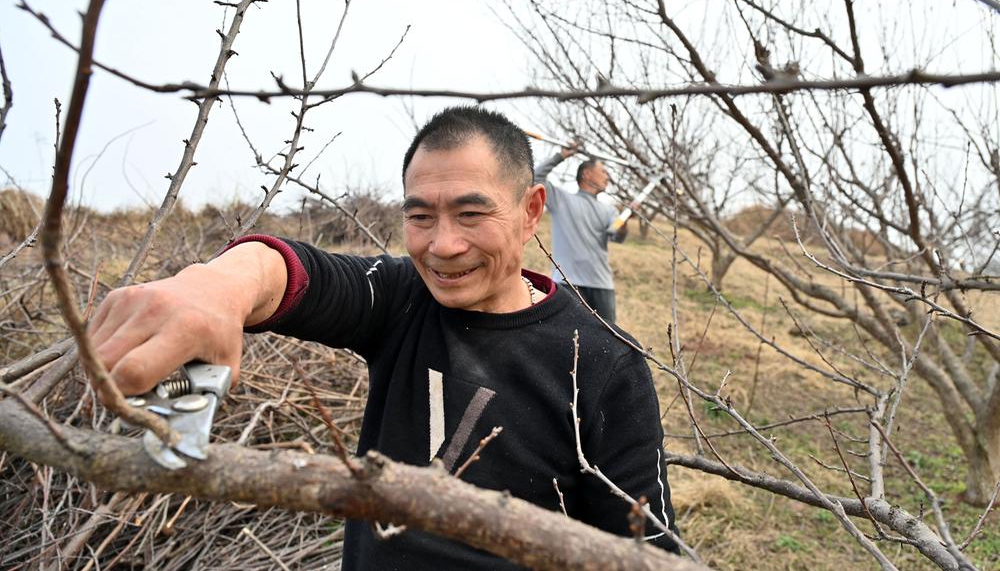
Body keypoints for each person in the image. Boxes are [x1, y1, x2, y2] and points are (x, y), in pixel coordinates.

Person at [91, 106, 678, 570]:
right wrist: (215, 286)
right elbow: (302, 273)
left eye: (471, 215)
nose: (442, 245)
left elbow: (646, 549)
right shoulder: (401, 300)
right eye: (420, 217)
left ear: (530, 211)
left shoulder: (604, 360)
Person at [533, 144, 629, 323]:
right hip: (567, 283)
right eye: (603, 171)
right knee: (569, 339)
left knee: (609, 341)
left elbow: (618, 237)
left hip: (601, 284)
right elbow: (535, 178)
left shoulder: (609, 211)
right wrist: (561, 156)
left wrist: (623, 225)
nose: (608, 176)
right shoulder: (561, 199)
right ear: (587, 174)